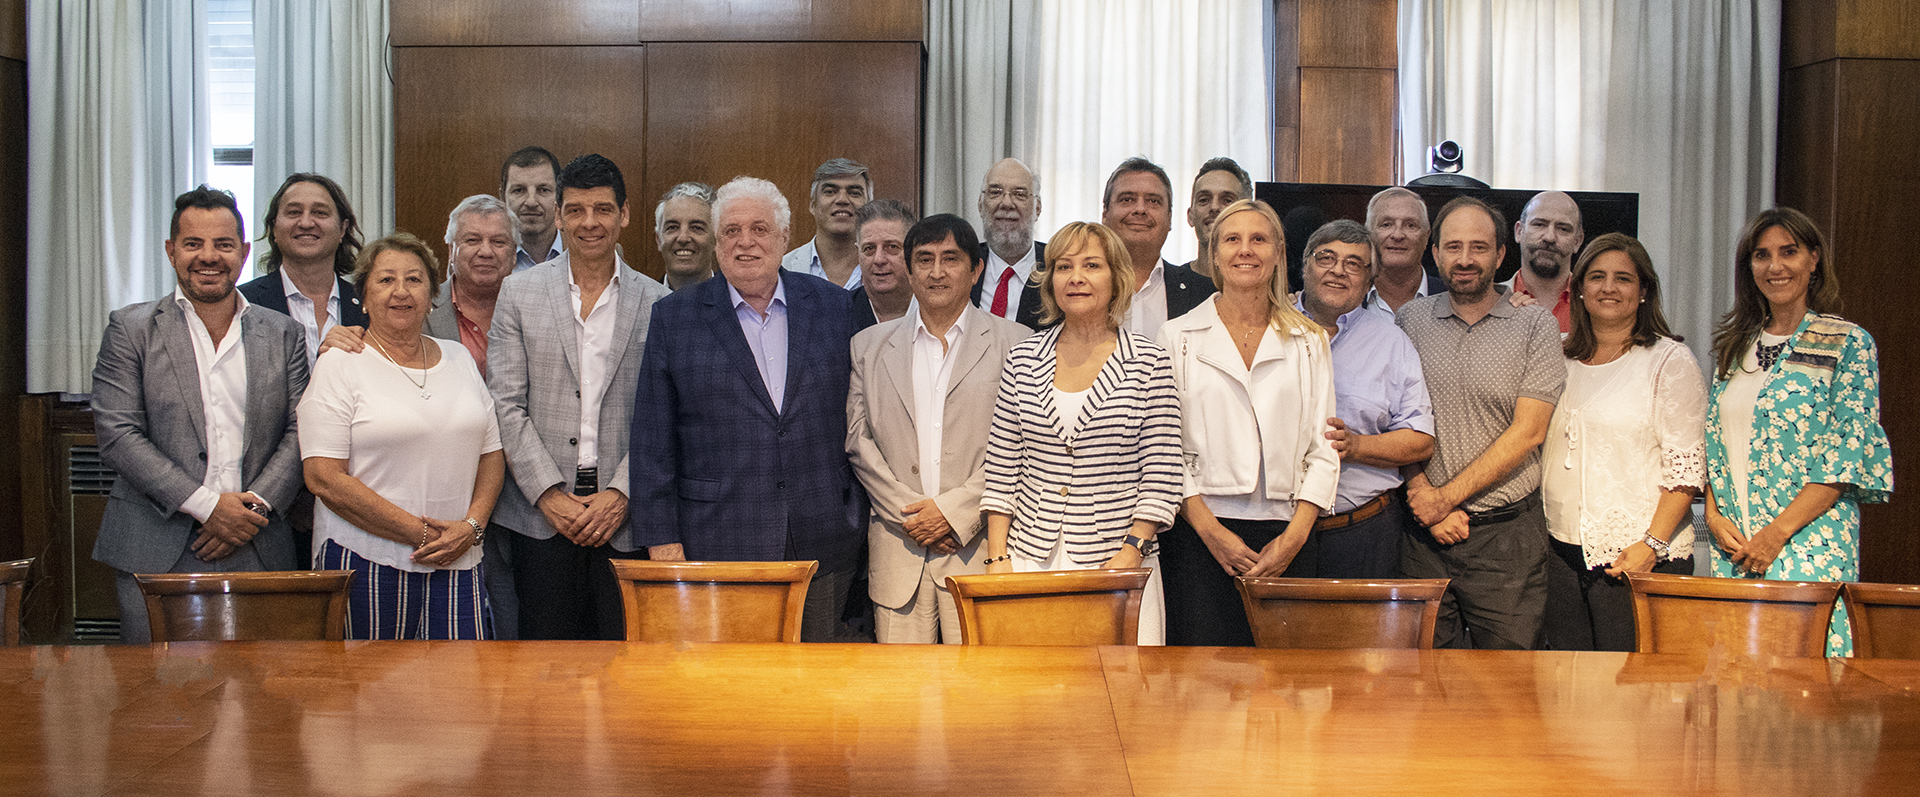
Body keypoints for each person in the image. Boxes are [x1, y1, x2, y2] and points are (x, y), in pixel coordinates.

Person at [632, 176, 864, 643]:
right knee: (729, 679)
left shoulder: (834, 307)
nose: (746, 242)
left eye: (760, 229)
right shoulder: (674, 317)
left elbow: (861, 416)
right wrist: (662, 540)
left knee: (818, 678)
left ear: (784, 237)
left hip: (822, 537)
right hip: (716, 539)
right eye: (732, 231)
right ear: (717, 244)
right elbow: (653, 439)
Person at [92, 186, 308, 644]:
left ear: (243, 253)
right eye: (193, 243)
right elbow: (118, 434)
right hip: (154, 548)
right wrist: (209, 507)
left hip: (258, 542)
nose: (208, 256)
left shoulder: (284, 334)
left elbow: (300, 429)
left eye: (223, 244)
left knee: (264, 684)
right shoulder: (131, 329)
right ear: (171, 251)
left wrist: (251, 510)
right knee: (153, 686)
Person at [488, 154, 671, 640]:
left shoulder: (659, 303)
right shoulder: (517, 294)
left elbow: (663, 416)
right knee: (545, 667)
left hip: (623, 519)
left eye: (603, 209)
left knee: (624, 663)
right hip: (540, 519)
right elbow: (505, 404)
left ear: (624, 214)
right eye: (576, 210)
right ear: (559, 216)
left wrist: (622, 493)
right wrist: (548, 495)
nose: (589, 222)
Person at [979, 221, 1184, 646]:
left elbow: (1162, 476)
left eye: (1091, 265)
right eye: (1063, 266)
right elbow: (1002, 469)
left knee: (1121, 683)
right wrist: (998, 558)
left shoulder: (1148, 362)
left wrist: (1131, 551)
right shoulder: (1022, 358)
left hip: (1119, 562)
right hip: (1029, 558)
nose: (1076, 277)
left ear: (1116, 277)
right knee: (1035, 684)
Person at [298, 233, 505, 640]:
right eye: (386, 280)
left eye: (414, 279)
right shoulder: (340, 363)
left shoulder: (460, 358)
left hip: (460, 558)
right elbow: (323, 477)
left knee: (461, 679)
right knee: (372, 680)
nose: (401, 291)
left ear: (432, 296)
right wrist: (422, 535)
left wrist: (472, 527)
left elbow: (492, 454)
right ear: (363, 296)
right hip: (365, 560)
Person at [1704, 207, 1891, 657]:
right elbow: (1715, 448)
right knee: (1739, 680)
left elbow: (1845, 456)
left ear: (1813, 259)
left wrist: (1776, 533)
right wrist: (1712, 516)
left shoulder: (1847, 343)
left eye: (1788, 252)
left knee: (1804, 679)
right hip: (1736, 546)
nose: (1775, 266)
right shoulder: (1734, 348)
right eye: (1761, 255)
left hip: (1807, 542)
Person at [1157, 200, 1338, 646]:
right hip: (1199, 535)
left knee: (1284, 677)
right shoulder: (1176, 336)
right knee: (1203, 675)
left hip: (1289, 534)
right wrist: (1211, 532)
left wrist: (1294, 539)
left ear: (1278, 253)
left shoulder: (1310, 340)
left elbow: (1325, 447)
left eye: (1259, 239)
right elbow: (1164, 447)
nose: (1245, 250)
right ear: (1214, 254)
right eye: (1232, 239)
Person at [847, 214, 1030, 643]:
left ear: (976, 269)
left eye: (950, 258)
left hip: (979, 550)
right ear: (909, 271)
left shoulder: (1018, 343)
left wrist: (953, 514)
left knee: (979, 683)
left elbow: (1024, 445)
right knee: (904, 684)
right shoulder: (868, 346)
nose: (936, 271)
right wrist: (913, 517)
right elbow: (859, 443)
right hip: (899, 550)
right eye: (924, 259)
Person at [1397, 197, 1564, 650]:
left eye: (1479, 247)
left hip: (1507, 542)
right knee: (1421, 677)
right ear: (1435, 253)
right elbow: (1395, 421)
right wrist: (1424, 500)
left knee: (1507, 681)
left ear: (1501, 254)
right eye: (1453, 247)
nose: (1465, 259)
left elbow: (1528, 432)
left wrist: (1444, 500)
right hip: (1422, 538)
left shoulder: (1536, 325)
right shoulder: (1409, 320)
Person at [1541, 233, 1705, 651]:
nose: (1608, 288)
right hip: (1559, 555)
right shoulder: (1556, 355)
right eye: (1596, 277)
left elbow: (1686, 470)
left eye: (1623, 278)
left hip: (1635, 558)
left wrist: (1652, 545)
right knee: (1568, 682)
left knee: (1630, 686)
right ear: (1579, 288)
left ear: (1644, 290)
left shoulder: (1669, 361)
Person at [1296, 220, 1435, 579]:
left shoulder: (1392, 342)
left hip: (1362, 532)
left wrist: (1357, 446)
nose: (1338, 270)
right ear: (1305, 265)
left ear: (1370, 280)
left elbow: (1420, 440)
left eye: (1354, 263)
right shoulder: (1268, 326)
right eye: (1326, 258)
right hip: (1276, 526)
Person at [239, 173, 370, 369]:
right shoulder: (242, 303)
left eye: (320, 212)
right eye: (293, 212)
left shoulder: (369, 305)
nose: (306, 223)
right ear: (274, 228)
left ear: (343, 229)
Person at [1100, 157, 1217, 340]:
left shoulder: (1206, 294)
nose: (1140, 209)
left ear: (1169, 218)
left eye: (1153, 201)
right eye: (1127, 199)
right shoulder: (1077, 287)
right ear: (1105, 214)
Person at [970, 157, 1047, 329]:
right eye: (995, 192)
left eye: (1019, 194)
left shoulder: (1059, 268)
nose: (1006, 203)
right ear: (980, 205)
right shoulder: (962, 265)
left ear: (1037, 208)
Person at [781, 158, 871, 288]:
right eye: (830, 191)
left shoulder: (885, 269)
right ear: (813, 205)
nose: (842, 200)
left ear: (869, 207)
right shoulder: (783, 269)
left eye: (854, 193)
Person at [1363, 187, 1446, 319]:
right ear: (1368, 234)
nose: (1397, 235)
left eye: (1410, 225)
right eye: (1386, 224)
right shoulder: (1346, 297)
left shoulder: (1451, 297)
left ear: (1426, 237)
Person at [1509, 191, 1586, 332]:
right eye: (1539, 225)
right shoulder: (1490, 303)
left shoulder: (1592, 305)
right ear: (1519, 232)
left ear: (1577, 241)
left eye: (1563, 229)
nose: (1550, 237)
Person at [849, 200, 917, 332]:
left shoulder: (938, 308)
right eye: (869, 249)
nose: (879, 259)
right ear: (858, 254)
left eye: (892, 247)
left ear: (913, 251)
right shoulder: (839, 315)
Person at [1182, 157, 1253, 280]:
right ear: (1190, 215)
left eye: (1227, 200)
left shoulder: (1262, 285)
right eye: (1204, 200)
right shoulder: (1170, 285)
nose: (1214, 207)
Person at [501, 146, 565, 272]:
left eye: (543, 190)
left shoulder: (583, 252)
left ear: (560, 197)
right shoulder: (487, 259)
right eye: (519, 190)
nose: (531, 202)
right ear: (502, 197)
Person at [655, 181, 717, 291]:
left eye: (696, 228)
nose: (683, 238)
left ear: (717, 240)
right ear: (658, 239)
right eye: (673, 227)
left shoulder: (737, 299)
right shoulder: (642, 298)